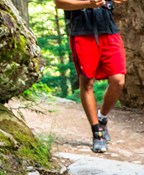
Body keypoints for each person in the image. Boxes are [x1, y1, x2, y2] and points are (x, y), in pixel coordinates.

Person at [54, 0, 127, 153]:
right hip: (82, 33)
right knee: (87, 83)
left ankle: (102, 117)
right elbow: (59, 3)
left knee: (118, 80)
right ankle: (97, 133)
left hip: (109, 31)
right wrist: (88, 3)